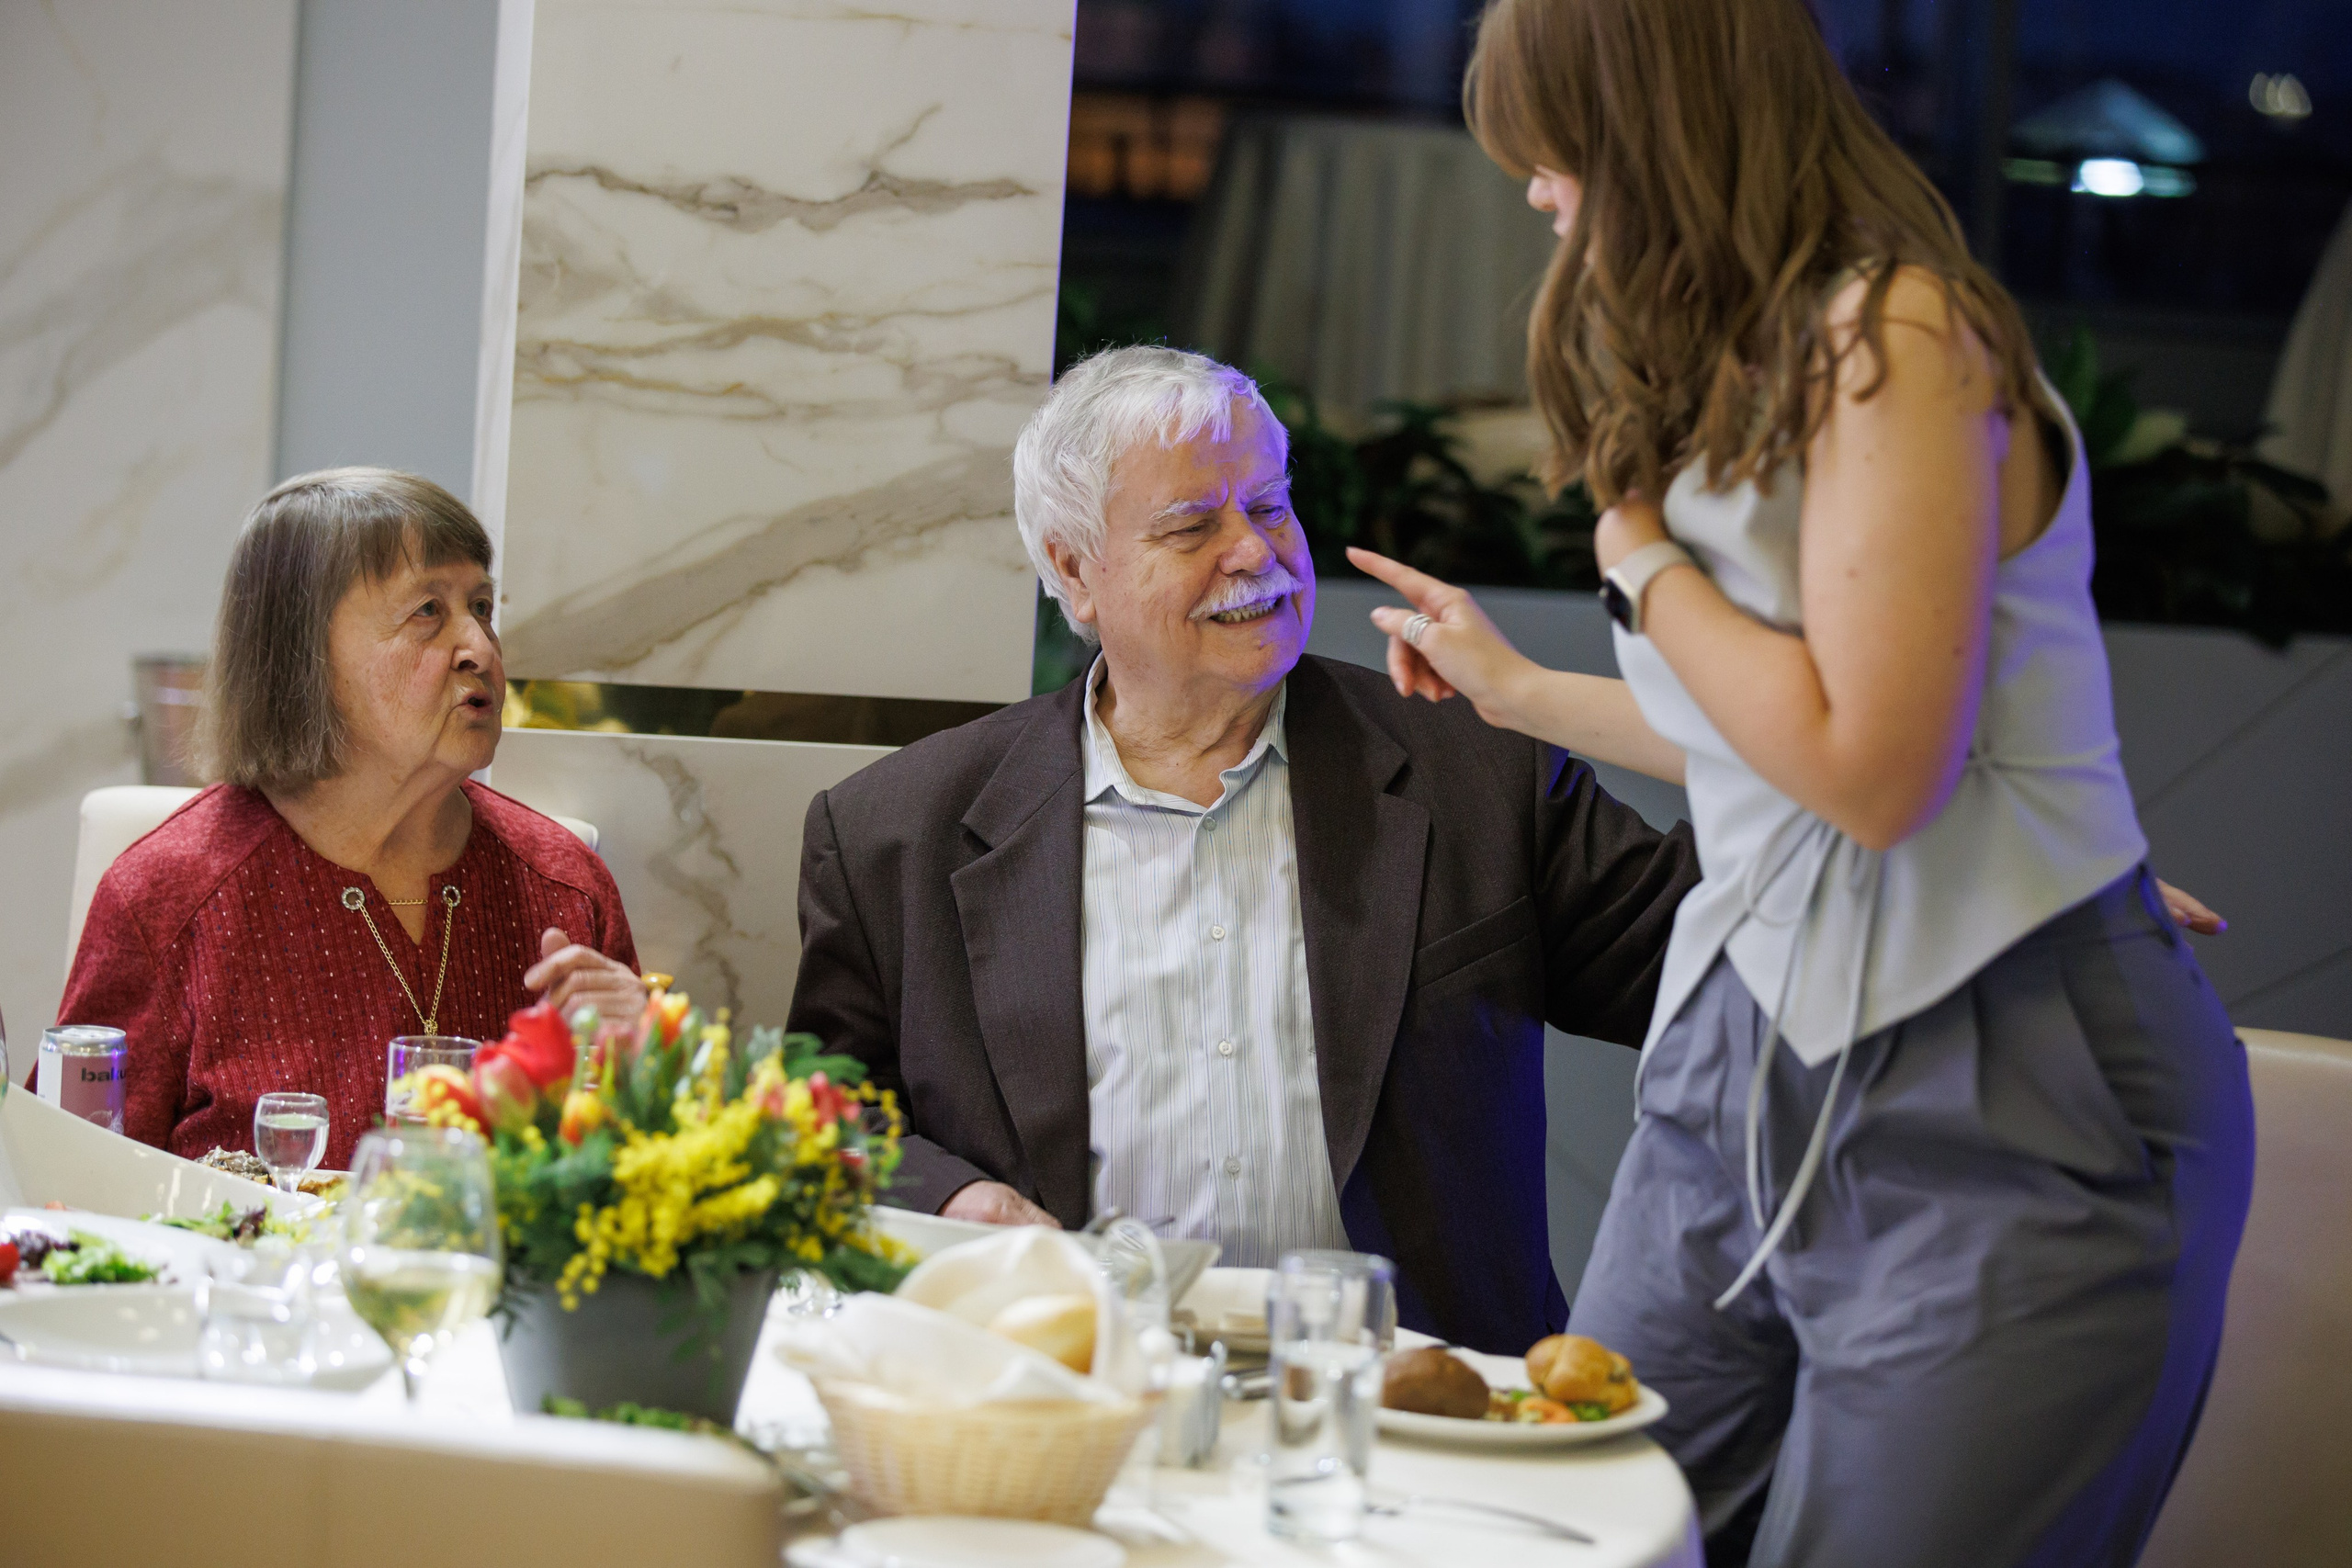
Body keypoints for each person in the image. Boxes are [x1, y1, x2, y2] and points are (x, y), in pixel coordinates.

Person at [1346, 1, 2254, 1563]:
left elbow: (1877, 773)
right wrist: (1522, 692)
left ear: (1650, 123)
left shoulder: (1902, 335)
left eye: (1552, 150)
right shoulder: (1755, 367)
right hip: (1742, 1061)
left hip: (2009, 1110)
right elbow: (1773, 743)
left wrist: (1638, 555)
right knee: (1557, 1525)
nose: (1537, 190)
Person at [788, 345, 1701, 1352]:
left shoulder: (1475, 771)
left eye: (1269, 506)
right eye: (1192, 527)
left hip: (1406, 1401)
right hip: (1066, 1388)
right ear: (1074, 570)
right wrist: (953, 1199)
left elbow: (1730, 955)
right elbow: (821, 1115)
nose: (1254, 552)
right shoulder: (895, 832)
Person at [58, 468, 648, 1169]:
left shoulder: (566, 887)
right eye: (428, 610)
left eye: (482, 606)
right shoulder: (166, 900)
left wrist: (652, 1062)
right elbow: (66, 1186)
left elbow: (650, 1187)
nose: (482, 649)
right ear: (303, 655)